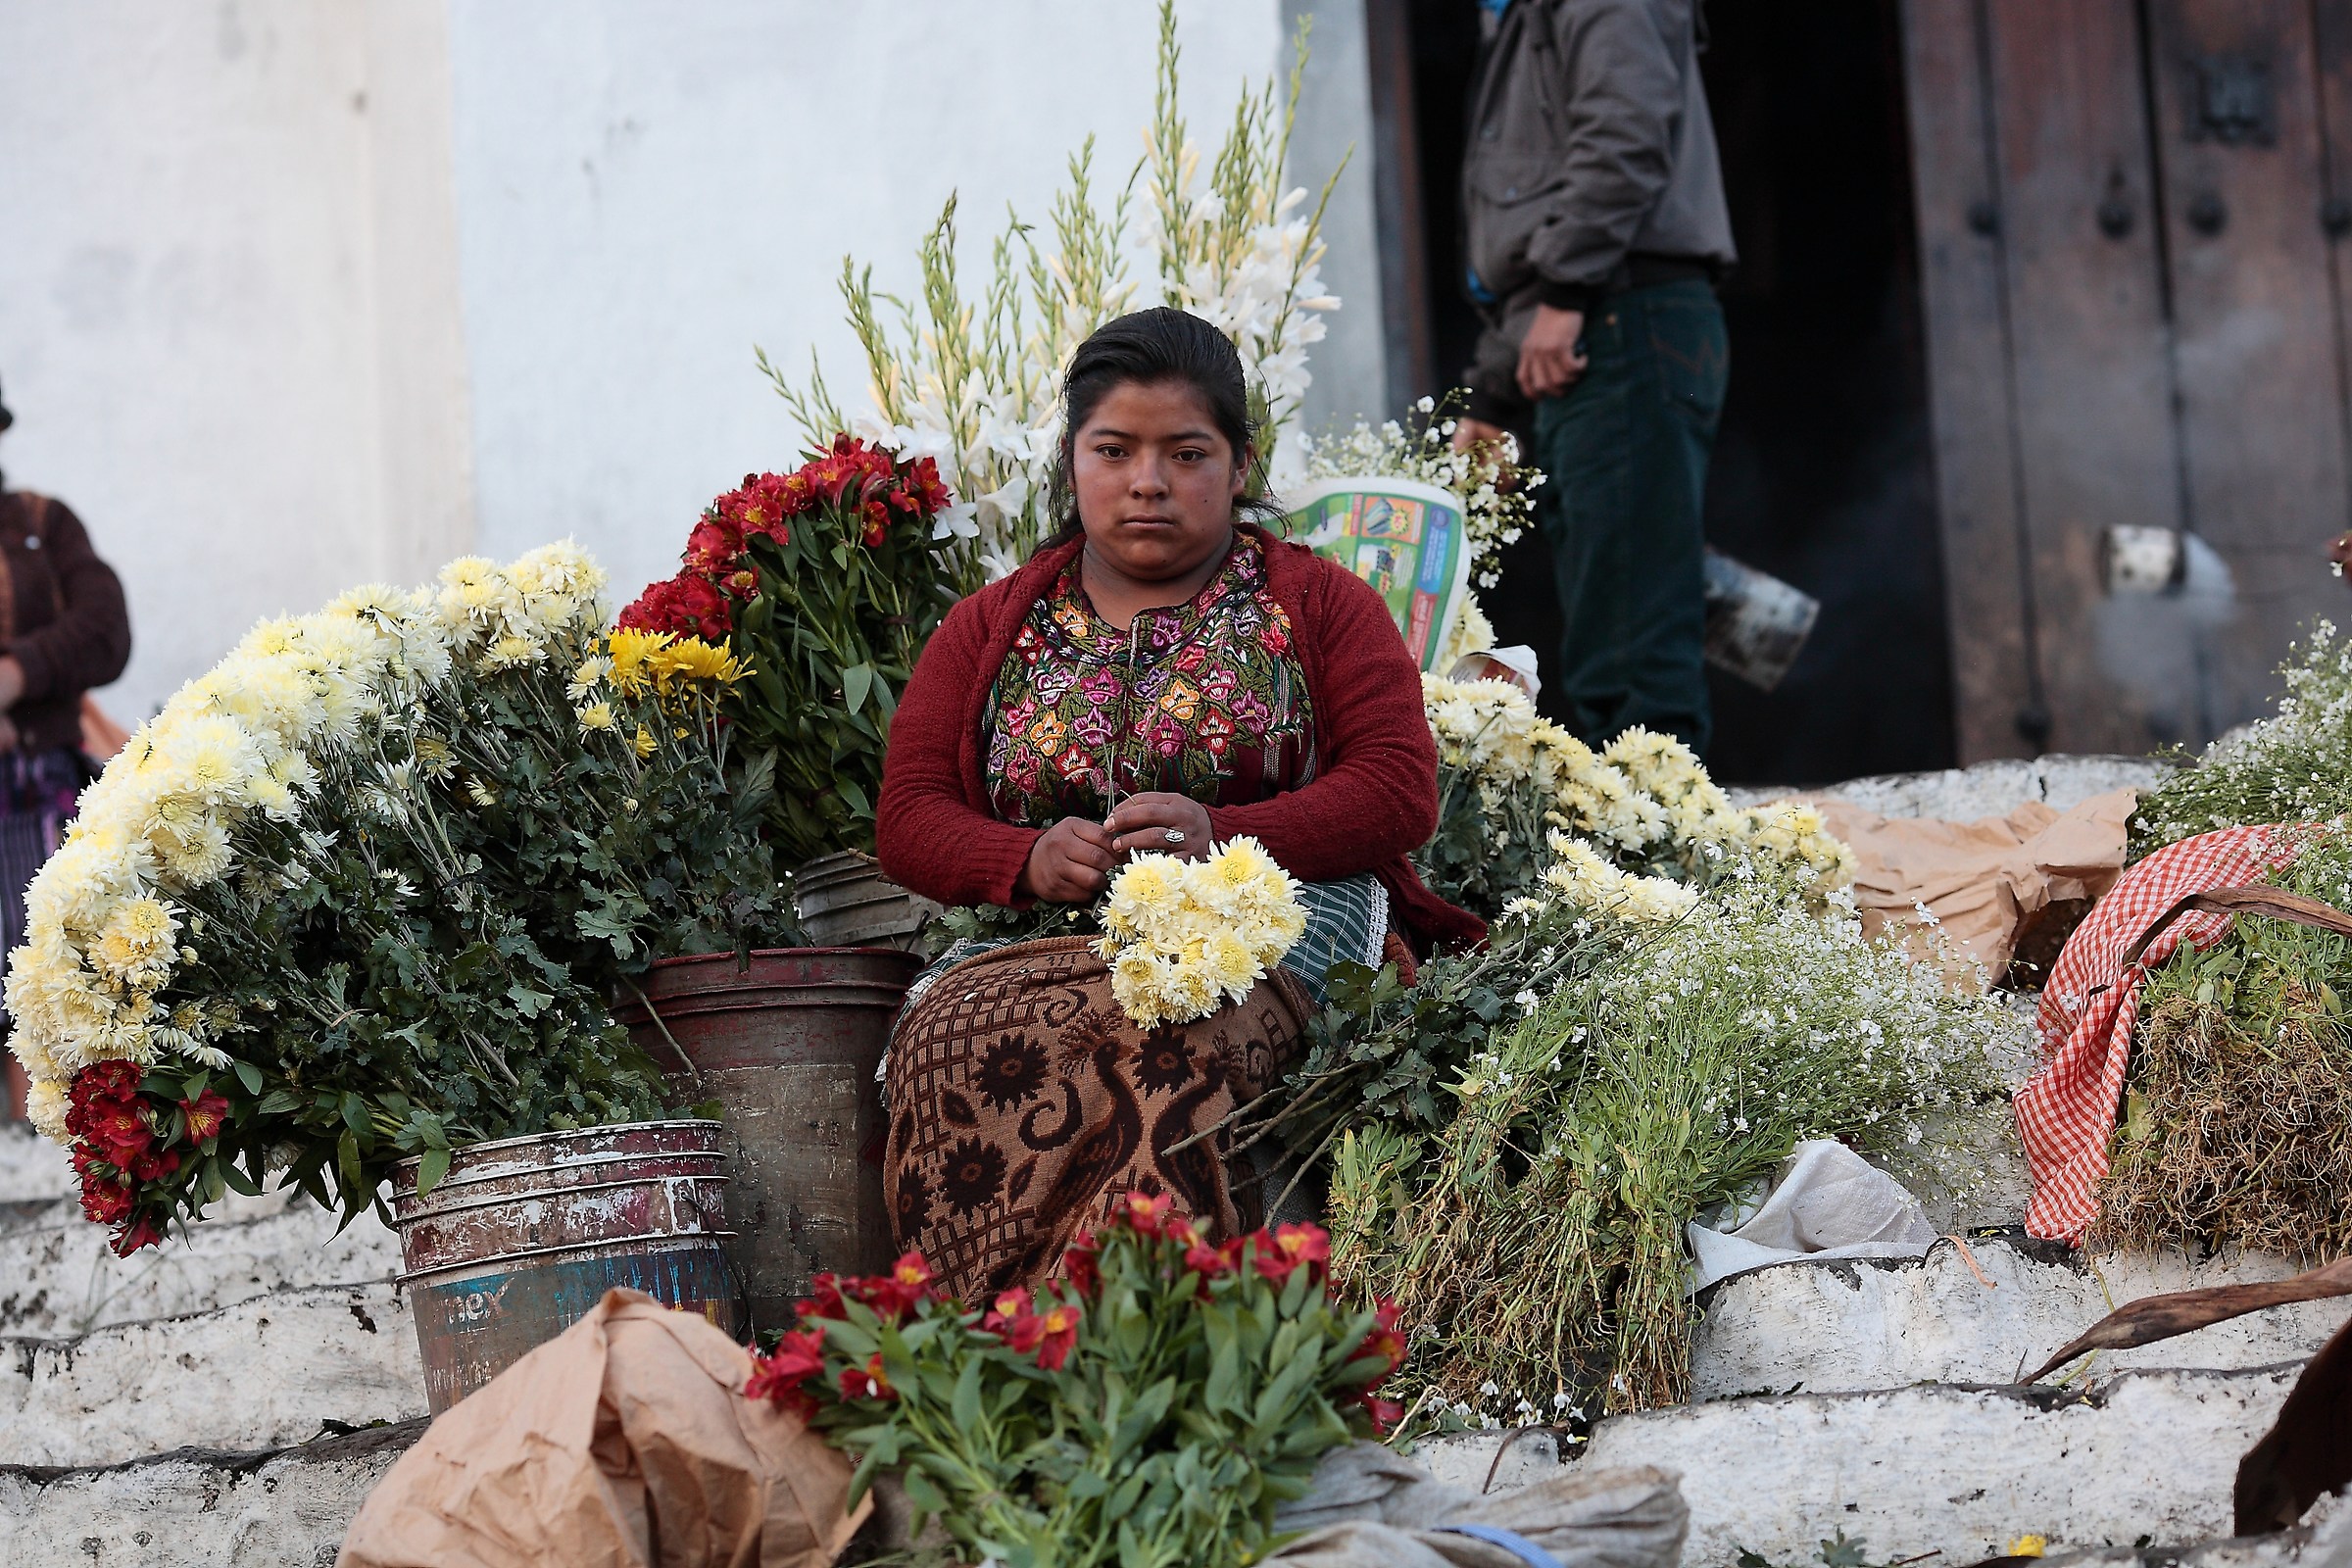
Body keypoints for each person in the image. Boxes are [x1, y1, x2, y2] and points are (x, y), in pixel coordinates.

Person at [876, 308, 1481, 1299]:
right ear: (1073, 460)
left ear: (1239, 465)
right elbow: (908, 815)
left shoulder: (1320, 606)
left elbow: (1397, 790)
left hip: (1274, 928)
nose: (1147, 480)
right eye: (1113, 449)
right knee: (952, 1041)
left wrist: (1226, 835)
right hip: (1041, 940)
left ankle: (1153, 1341)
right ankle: (981, 1336)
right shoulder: (990, 625)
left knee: (1166, 1041)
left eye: (1185, 452)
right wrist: (1023, 859)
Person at [1449, 0, 1736, 756]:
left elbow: (1622, 138)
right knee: (1619, 609)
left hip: (1621, 315)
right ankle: (1655, 844)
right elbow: (1530, 210)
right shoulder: (1516, 18)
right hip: (1598, 318)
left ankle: (1665, 856)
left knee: (1635, 641)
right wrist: (1493, 390)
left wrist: (1565, 294)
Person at [0, 375, 133, 1120]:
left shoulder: (42, 526)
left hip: (40, 786)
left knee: (50, 963)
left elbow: (105, 627)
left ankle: (51, 1149)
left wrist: (19, 675)